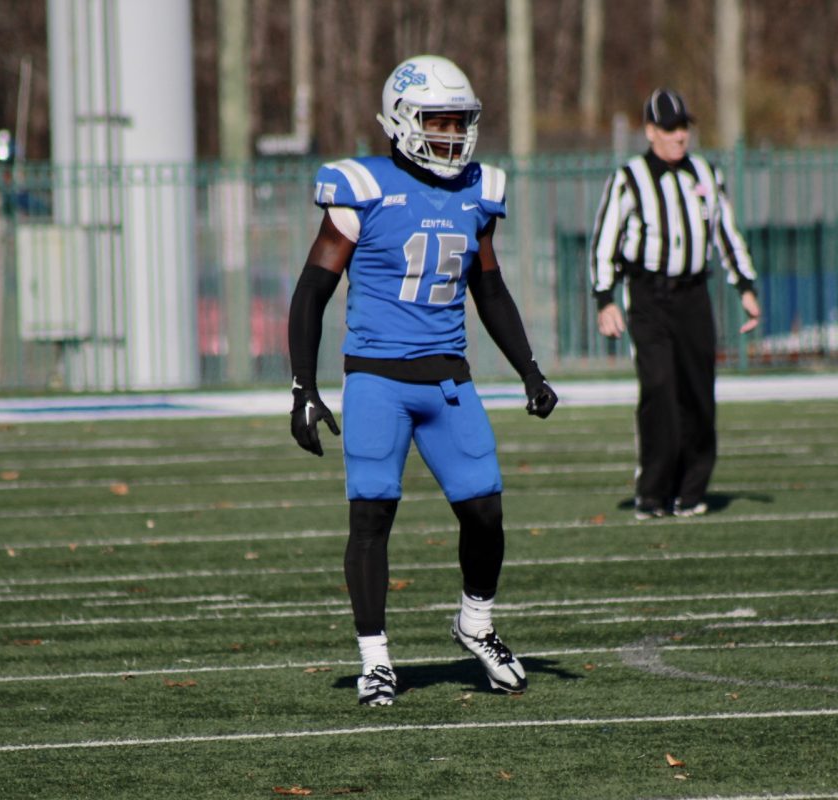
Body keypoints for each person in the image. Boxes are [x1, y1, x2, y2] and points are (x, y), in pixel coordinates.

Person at [287, 55, 558, 706]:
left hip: (448, 379)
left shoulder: (476, 191)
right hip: (378, 378)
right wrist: (304, 386)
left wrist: (529, 368)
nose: (451, 134)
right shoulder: (364, 188)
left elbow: (489, 289)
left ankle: (476, 623)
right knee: (372, 517)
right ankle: (376, 660)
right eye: (438, 120)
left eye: (459, 121)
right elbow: (311, 292)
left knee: (486, 510)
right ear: (402, 121)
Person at [589, 88, 760, 520]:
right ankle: (653, 490)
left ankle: (691, 489)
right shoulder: (629, 178)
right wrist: (605, 298)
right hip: (649, 296)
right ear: (650, 132)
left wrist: (745, 287)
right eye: (669, 128)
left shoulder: (705, 172)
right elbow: (604, 241)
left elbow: (726, 233)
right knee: (660, 389)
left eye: (683, 127)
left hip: (693, 295)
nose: (679, 136)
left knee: (699, 393)